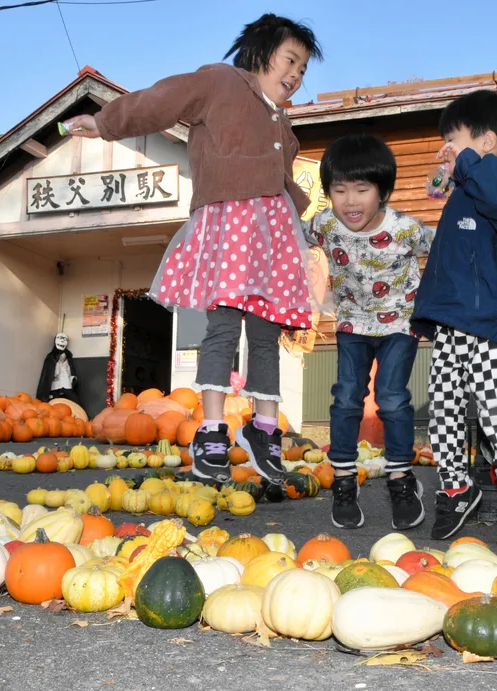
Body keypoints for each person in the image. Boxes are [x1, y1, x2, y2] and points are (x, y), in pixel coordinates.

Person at [63, 14, 323, 487]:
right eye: (292, 60)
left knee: (267, 335)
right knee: (223, 328)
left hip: (273, 237)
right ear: (262, 52)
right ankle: (211, 432)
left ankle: (265, 431)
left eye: (304, 68)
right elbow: (163, 100)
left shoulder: (283, 123)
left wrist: (306, 226)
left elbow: (285, 182)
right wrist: (105, 122)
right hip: (230, 225)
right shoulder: (220, 82)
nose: (297, 74)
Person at [410, 90, 497, 548]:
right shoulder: (464, 190)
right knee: (443, 411)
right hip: (450, 325)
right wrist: (425, 315)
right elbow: (435, 192)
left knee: (493, 409)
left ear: (486, 143)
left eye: (454, 139)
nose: (446, 147)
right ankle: (455, 487)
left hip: (488, 329)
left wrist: (467, 164)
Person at [304, 134, 433, 530]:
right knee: (346, 398)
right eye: (339, 190)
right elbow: (286, 233)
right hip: (350, 324)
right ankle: (343, 479)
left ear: (384, 191)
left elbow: (449, 248)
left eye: (362, 189)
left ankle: (400, 478)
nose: (351, 201)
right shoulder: (325, 224)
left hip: (398, 322)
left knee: (392, 399)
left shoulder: (406, 230)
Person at [36, 333, 81, 405]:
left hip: (66, 384)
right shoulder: (51, 357)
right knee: (54, 403)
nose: (62, 341)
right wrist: (59, 363)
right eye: (60, 338)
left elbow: (70, 371)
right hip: (55, 385)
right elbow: (51, 374)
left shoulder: (68, 357)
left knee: (74, 402)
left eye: (64, 339)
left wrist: (72, 378)